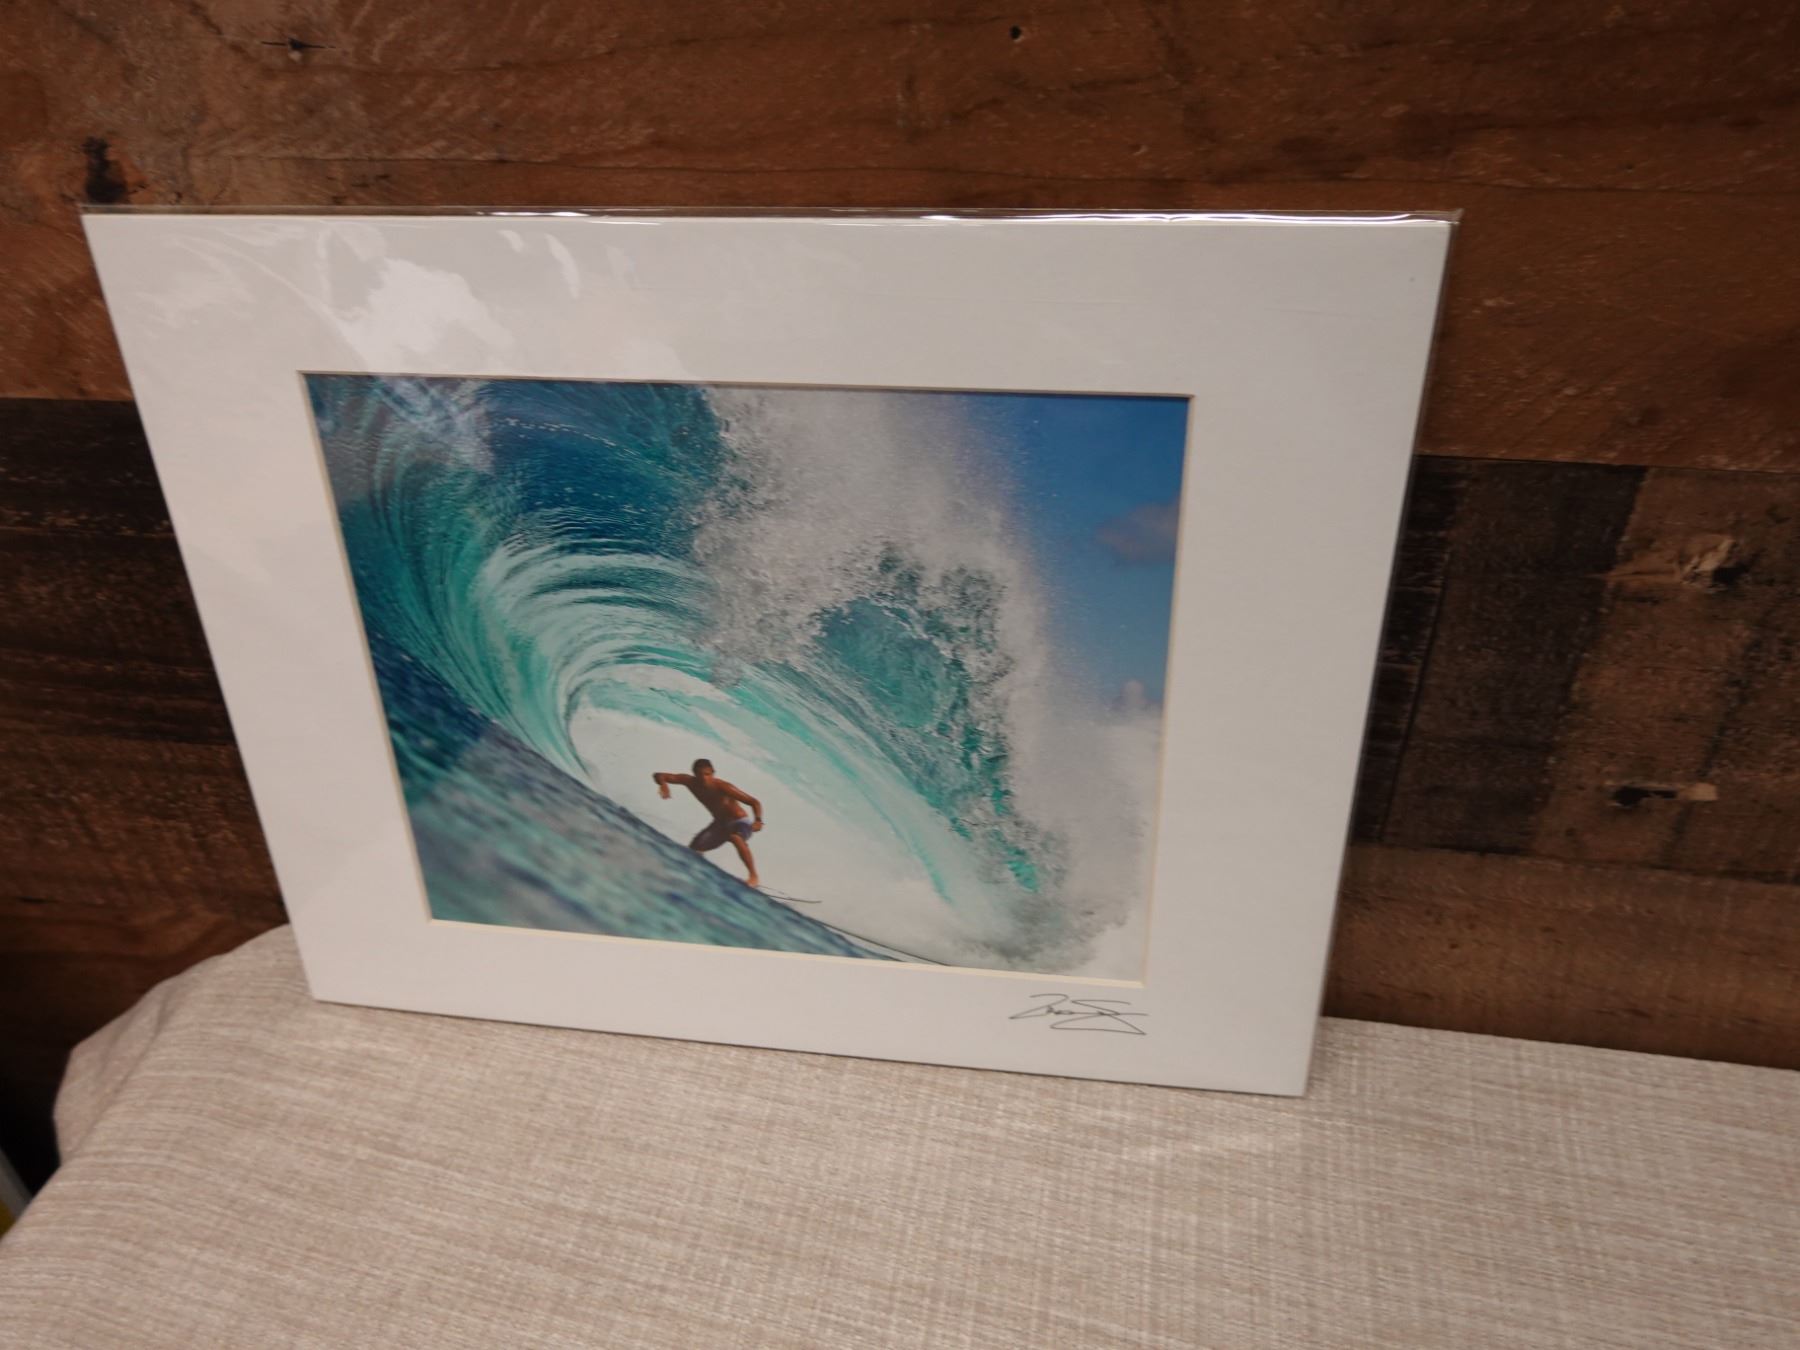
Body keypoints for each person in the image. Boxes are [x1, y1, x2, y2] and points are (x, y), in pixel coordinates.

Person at [653, 759, 764, 887]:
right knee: (694, 849)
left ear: (713, 773)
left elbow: (754, 802)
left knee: (735, 837)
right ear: (694, 774)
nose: (704, 778)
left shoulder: (723, 786)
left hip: (739, 822)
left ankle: (753, 876)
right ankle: (694, 876)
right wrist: (663, 784)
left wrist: (758, 820)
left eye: (707, 774)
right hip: (720, 824)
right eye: (700, 775)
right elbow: (658, 775)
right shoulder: (689, 781)